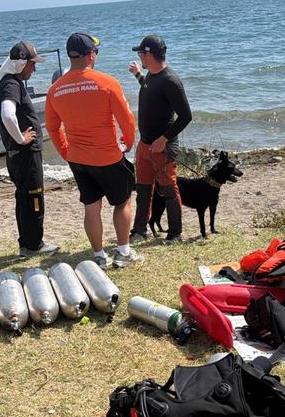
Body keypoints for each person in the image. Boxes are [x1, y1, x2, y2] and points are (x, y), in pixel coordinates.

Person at [45, 31, 141, 270]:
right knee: (122, 202)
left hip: (78, 158)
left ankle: (99, 255)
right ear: (90, 55)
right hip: (107, 156)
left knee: (91, 206)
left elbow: (52, 127)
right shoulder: (107, 83)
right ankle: (123, 252)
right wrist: (128, 143)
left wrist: (65, 152)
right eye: (95, 51)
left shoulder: (55, 89)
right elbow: (127, 120)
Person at [0, 40, 59, 258]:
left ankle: (27, 243)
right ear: (20, 64)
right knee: (34, 197)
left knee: (24, 198)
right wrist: (21, 139)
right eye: (32, 64)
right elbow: (7, 114)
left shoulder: (10, 82)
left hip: (20, 155)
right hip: (25, 154)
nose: (34, 68)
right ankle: (33, 245)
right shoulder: (10, 84)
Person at [128, 35, 192, 243]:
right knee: (143, 189)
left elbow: (186, 116)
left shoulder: (170, 81)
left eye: (140, 53)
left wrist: (164, 139)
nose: (139, 56)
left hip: (162, 146)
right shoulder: (151, 76)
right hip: (145, 144)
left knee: (168, 190)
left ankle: (175, 234)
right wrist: (138, 75)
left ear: (148, 55)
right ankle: (139, 231)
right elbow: (148, 89)